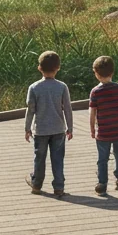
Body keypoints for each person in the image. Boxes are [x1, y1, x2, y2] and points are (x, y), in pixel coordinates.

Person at [25, 50, 74, 199]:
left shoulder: (34, 88)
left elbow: (30, 110)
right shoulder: (62, 87)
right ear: (58, 68)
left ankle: (37, 185)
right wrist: (70, 127)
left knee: (39, 158)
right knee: (58, 159)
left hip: (41, 130)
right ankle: (59, 187)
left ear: (39, 68)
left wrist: (27, 128)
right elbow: (68, 108)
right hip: (58, 130)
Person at [88, 55, 118, 195]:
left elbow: (92, 112)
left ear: (96, 73)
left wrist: (92, 129)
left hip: (103, 131)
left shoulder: (95, 92)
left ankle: (102, 183)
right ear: (112, 72)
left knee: (103, 158)